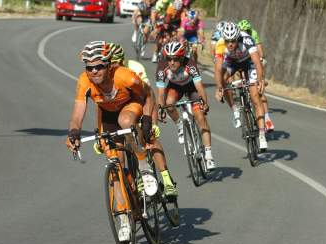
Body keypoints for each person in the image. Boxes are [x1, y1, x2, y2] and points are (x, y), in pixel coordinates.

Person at [65, 41, 155, 242]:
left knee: (125, 120)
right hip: (107, 115)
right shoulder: (84, 82)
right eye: (89, 67)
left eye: (99, 66)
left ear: (109, 65)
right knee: (114, 163)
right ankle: (123, 218)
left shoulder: (124, 76)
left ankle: (143, 164)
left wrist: (148, 120)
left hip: (131, 105)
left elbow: (148, 95)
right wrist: (73, 133)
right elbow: (78, 112)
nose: (94, 71)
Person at [108, 42, 178, 196]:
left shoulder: (135, 68)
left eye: (116, 64)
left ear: (122, 61)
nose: (113, 68)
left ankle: (167, 180)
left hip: (140, 103)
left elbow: (149, 96)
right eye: (110, 64)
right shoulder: (105, 73)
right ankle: (132, 188)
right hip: (119, 109)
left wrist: (152, 123)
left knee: (149, 138)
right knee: (118, 150)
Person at [156, 41, 216, 170]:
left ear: (182, 58)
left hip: (191, 88)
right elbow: (161, 94)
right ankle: (179, 125)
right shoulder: (162, 67)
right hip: (175, 87)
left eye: (175, 59)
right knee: (168, 104)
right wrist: (160, 109)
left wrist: (204, 102)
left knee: (200, 117)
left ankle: (209, 155)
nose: (171, 62)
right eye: (169, 59)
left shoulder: (190, 65)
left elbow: (200, 87)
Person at [214, 22, 268, 151]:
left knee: (255, 97)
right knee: (223, 79)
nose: (230, 44)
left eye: (233, 41)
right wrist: (219, 87)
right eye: (228, 41)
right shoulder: (220, 44)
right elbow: (217, 69)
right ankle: (235, 109)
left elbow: (256, 61)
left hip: (248, 62)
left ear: (238, 38)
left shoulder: (246, 39)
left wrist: (260, 80)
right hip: (232, 62)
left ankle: (261, 135)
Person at [237, 19, 275, 132]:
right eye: (243, 30)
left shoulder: (253, 34)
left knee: (260, 92)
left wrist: (261, 59)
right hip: (241, 60)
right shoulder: (237, 37)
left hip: (253, 60)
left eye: (247, 30)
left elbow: (259, 50)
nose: (245, 32)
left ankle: (267, 119)